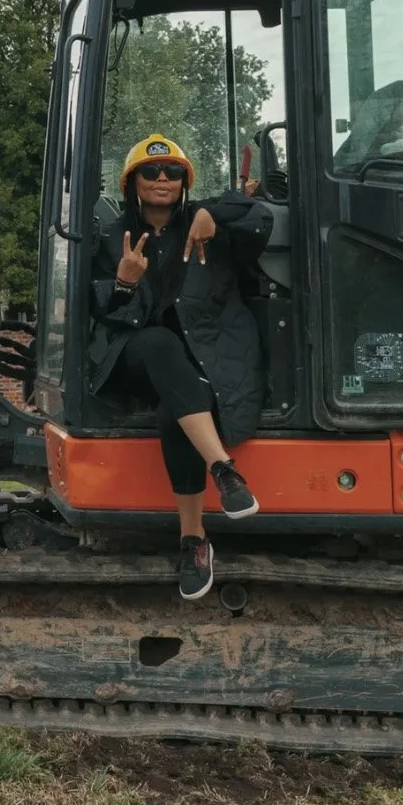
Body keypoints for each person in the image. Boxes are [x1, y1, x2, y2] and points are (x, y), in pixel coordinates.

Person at [89, 133, 273, 601]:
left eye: (173, 172)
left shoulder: (206, 222)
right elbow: (103, 312)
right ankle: (224, 469)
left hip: (204, 361)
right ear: (132, 182)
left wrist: (214, 212)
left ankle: (193, 541)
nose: (162, 179)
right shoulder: (114, 239)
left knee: (177, 407)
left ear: (185, 182)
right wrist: (126, 284)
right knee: (157, 342)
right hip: (137, 355)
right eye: (151, 172)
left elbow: (259, 214)